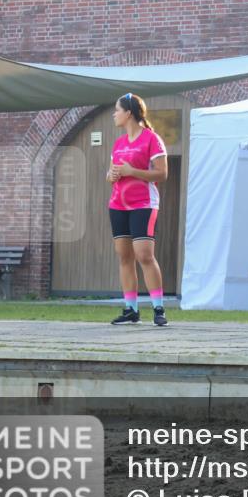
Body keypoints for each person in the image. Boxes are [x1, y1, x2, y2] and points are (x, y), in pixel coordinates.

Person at [106, 93, 170, 327]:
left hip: (143, 204)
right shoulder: (118, 143)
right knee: (124, 257)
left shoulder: (152, 139)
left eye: (117, 110)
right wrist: (112, 175)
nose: (114, 114)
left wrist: (132, 171)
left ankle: (158, 308)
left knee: (144, 255)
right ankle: (130, 310)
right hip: (117, 205)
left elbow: (162, 174)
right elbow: (111, 174)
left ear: (129, 113)